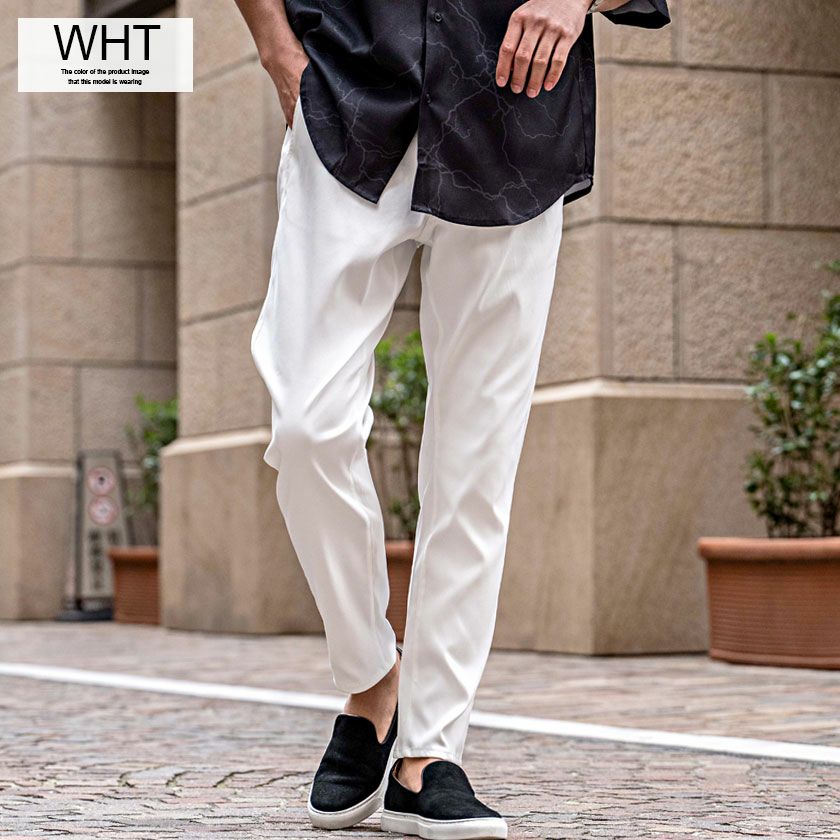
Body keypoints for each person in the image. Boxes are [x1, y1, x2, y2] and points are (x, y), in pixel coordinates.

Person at [236, 0, 670, 837]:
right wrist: (275, 50)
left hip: (513, 120)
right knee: (306, 424)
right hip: (350, 96)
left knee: (475, 462)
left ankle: (430, 753)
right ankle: (373, 675)